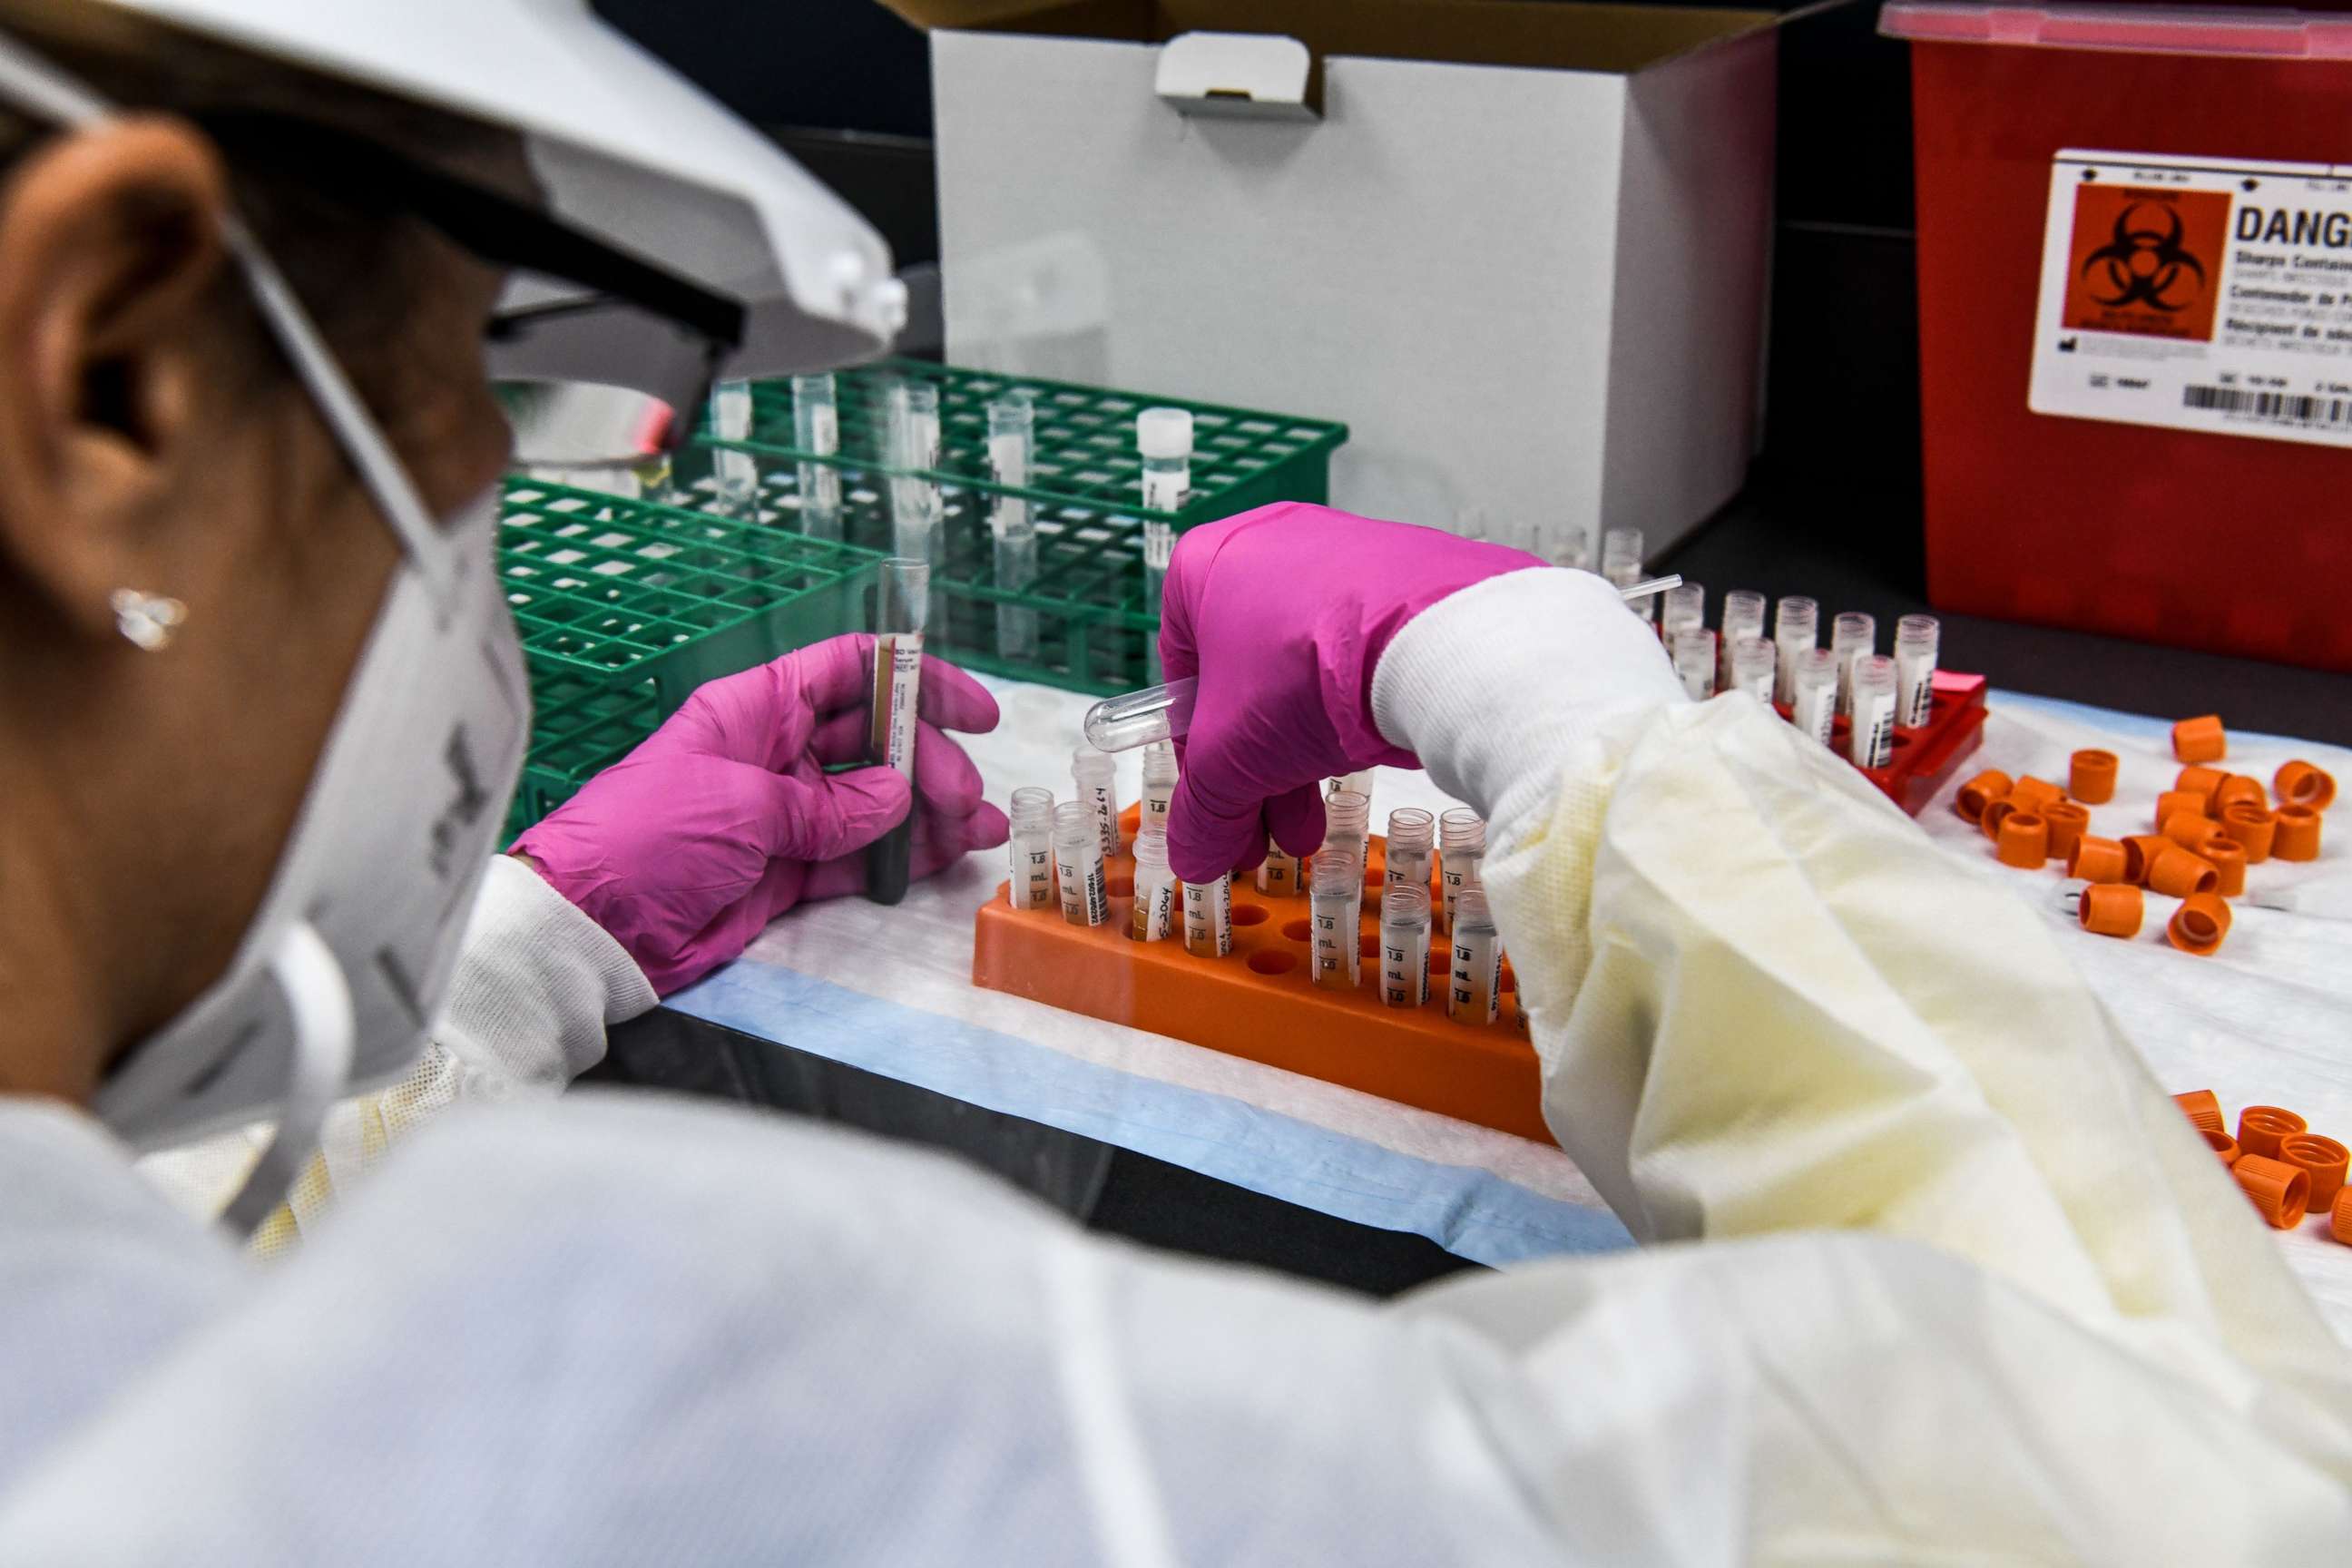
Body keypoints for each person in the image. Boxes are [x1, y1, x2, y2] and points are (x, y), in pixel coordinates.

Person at [0, 2, 2347, 1562]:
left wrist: (527, 952)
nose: (484, 574)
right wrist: (1576, 721)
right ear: (111, 384)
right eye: (468, 414)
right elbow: (2172, 1491)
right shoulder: (667, 1429)